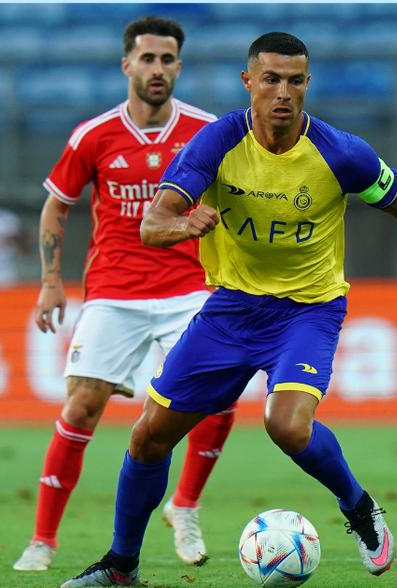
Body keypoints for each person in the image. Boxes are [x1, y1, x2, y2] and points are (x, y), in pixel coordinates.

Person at [60, 32, 397, 588]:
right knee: (148, 436)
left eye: (294, 81)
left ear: (306, 84)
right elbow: (153, 223)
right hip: (231, 310)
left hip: (307, 311)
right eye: (270, 79)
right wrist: (183, 223)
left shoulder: (341, 152)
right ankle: (121, 566)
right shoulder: (216, 143)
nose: (282, 92)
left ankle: (358, 507)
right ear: (249, 83)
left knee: (285, 424)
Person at [14, 16, 236, 573]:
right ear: (127, 65)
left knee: (221, 395)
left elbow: (241, 197)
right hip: (115, 290)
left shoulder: (208, 130)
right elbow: (56, 205)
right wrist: (48, 281)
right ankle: (43, 539)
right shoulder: (93, 135)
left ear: (179, 67)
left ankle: (184, 505)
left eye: (166, 60)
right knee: (82, 405)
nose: (156, 69)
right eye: (147, 59)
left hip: (189, 287)